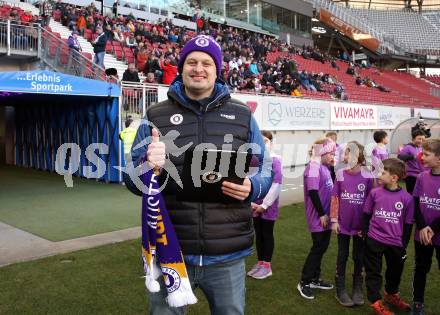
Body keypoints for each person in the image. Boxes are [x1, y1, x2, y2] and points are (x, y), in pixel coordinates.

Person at [125, 34, 272, 315]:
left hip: (228, 253)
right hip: (170, 250)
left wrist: (252, 187)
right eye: (191, 61)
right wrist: (147, 164)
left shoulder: (242, 114)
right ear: (181, 68)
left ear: (217, 70)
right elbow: (131, 179)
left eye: (206, 63)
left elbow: (263, 167)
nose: (198, 68)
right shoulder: (155, 114)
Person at [362, 158, 413, 315]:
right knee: (373, 272)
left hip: (395, 243)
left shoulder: (406, 198)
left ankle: (391, 295)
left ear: (394, 178)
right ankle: (376, 302)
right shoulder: (374, 193)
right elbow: (366, 214)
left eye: (383, 172)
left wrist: (403, 245)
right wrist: (366, 235)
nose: (379, 174)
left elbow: (408, 224)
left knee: (395, 272)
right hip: (374, 240)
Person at [330, 141, 373, 307]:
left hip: (360, 227)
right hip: (343, 224)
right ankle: (340, 289)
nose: (345, 157)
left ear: (359, 157)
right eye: (345, 154)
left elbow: (371, 201)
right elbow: (335, 198)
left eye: (348, 154)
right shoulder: (340, 173)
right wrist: (334, 220)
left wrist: (366, 225)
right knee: (342, 255)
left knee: (359, 256)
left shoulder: (368, 175)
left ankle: (357, 287)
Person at [297, 138, 335, 300]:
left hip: (326, 216)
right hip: (319, 217)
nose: (334, 156)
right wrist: (321, 213)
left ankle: (314, 279)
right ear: (323, 153)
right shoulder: (313, 167)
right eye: (331, 153)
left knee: (322, 247)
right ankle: (304, 282)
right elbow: (313, 192)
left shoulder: (325, 167)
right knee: (318, 247)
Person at [248, 131, 282, 280]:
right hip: (255, 205)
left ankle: (267, 266)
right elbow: (248, 181)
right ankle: (260, 262)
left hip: (268, 207)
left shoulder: (275, 160)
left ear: (271, 143)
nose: (263, 143)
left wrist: (265, 205)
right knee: (259, 234)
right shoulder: (254, 161)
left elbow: (276, 185)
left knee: (267, 234)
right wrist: (251, 202)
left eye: (266, 140)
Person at [411, 138, 440, 315]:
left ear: (439, 158)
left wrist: (433, 228)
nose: (422, 157)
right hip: (422, 234)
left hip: (436, 233)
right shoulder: (422, 176)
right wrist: (422, 227)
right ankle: (418, 303)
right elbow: (415, 202)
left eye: (426, 154)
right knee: (421, 268)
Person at [398, 130, 426, 194]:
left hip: (420, 175)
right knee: (412, 195)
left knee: (420, 195)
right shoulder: (408, 147)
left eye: (423, 139)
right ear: (413, 139)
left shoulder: (421, 147)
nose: (421, 141)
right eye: (419, 139)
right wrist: (412, 157)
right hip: (411, 176)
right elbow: (399, 157)